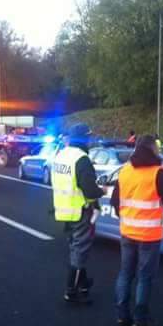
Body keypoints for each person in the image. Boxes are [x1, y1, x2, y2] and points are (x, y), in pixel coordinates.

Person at [111, 135, 163, 326]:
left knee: (125, 273)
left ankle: (122, 314)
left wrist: (127, 217)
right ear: (153, 150)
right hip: (149, 234)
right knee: (144, 276)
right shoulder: (159, 174)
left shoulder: (125, 171)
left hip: (128, 231)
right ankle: (140, 318)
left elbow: (115, 201)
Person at [51, 123, 105, 304]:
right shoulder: (81, 159)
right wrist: (102, 191)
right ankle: (71, 291)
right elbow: (89, 190)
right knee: (80, 252)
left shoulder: (61, 155)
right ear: (84, 138)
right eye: (88, 137)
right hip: (80, 211)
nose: (90, 140)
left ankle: (82, 283)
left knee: (75, 248)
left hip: (63, 209)